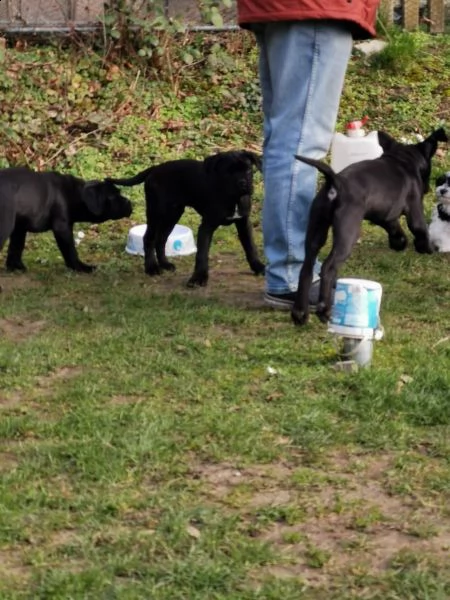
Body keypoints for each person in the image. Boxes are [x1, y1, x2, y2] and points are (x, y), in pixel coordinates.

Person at [236, 1, 380, 310]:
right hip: (316, 8)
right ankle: (290, 277)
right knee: (301, 141)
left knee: (287, 138)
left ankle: (287, 272)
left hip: (291, 8)